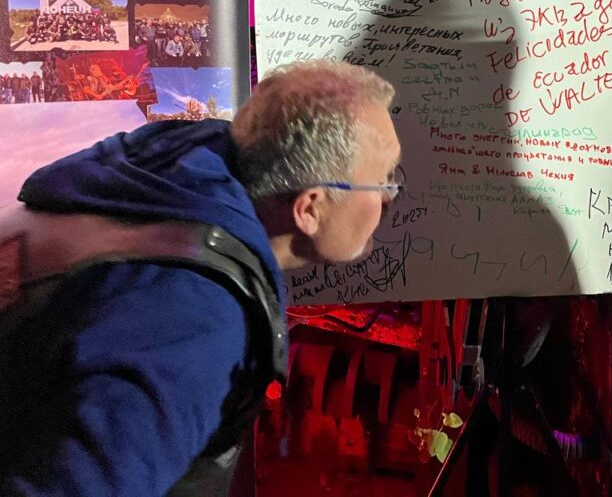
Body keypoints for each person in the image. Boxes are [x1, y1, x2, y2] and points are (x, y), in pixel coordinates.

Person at [0, 59, 402, 496]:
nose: (389, 198)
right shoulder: (195, 324)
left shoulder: (168, 172)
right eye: (381, 182)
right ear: (309, 209)